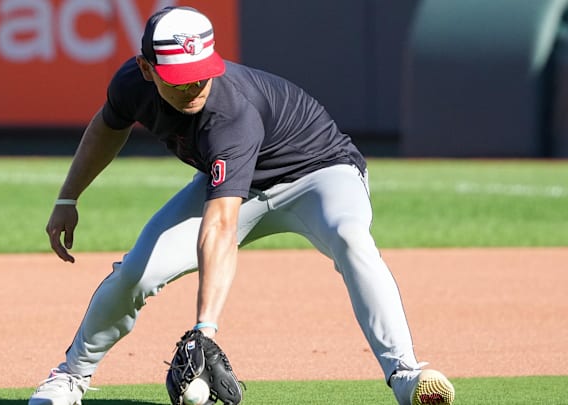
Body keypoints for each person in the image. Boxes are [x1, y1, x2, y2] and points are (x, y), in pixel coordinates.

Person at [29, 6, 455, 405]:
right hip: (244, 186)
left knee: (350, 237)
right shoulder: (130, 84)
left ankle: (405, 373)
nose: (195, 87)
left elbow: (220, 226)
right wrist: (69, 197)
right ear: (146, 69)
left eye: (202, 74)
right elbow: (108, 126)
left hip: (321, 175)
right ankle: (70, 377)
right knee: (137, 273)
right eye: (181, 78)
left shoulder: (231, 113)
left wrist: (204, 328)